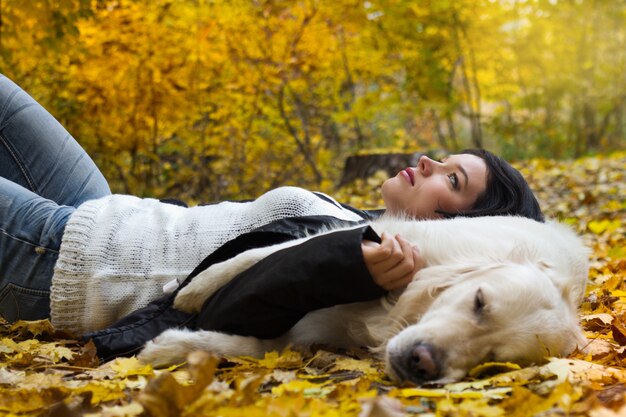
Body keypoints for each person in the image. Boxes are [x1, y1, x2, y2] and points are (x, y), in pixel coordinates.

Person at [0, 74, 543, 343]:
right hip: (106, 209)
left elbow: (224, 311)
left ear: (464, 229)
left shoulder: (366, 279)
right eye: (443, 159)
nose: (425, 161)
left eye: (451, 178)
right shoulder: (352, 220)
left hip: (64, 262)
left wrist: (347, 266)